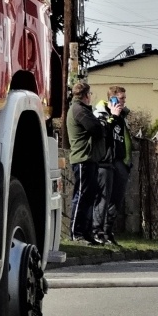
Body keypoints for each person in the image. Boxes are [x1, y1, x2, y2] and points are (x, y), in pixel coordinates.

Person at [65, 81, 105, 244]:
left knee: (89, 197)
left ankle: (86, 232)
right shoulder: (79, 110)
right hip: (83, 158)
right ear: (86, 95)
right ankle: (76, 232)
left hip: (89, 158)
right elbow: (97, 129)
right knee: (82, 196)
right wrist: (101, 123)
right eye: (90, 94)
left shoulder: (81, 109)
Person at [94, 86, 134, 245]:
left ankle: (108, 231)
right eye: (121, 98)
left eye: (125, 98)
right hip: (106, 160)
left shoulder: (123, 116)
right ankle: (97, 231)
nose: (124, 101)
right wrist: (113, 115)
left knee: (116, 199)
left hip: (120, 161)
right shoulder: (101, 113)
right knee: (103, 198)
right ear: (113, 99)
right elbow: (104, 132)